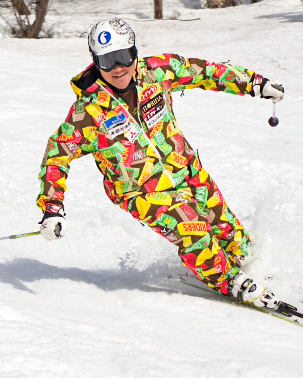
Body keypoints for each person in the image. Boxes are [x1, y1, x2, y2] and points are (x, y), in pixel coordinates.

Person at [35, 17, 286, 309]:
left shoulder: (156, 71)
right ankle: (227, 279)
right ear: (95, 62)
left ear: (134, 52)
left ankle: (248, 264)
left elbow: (205, 72)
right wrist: (52, 209)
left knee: (228, 229)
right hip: (140, 192)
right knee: (191, 226)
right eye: (107, 61)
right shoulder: (88, 112)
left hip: (187, 171)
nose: (118, 68)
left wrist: (255, 84)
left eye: (123, 57)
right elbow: (56, 154)